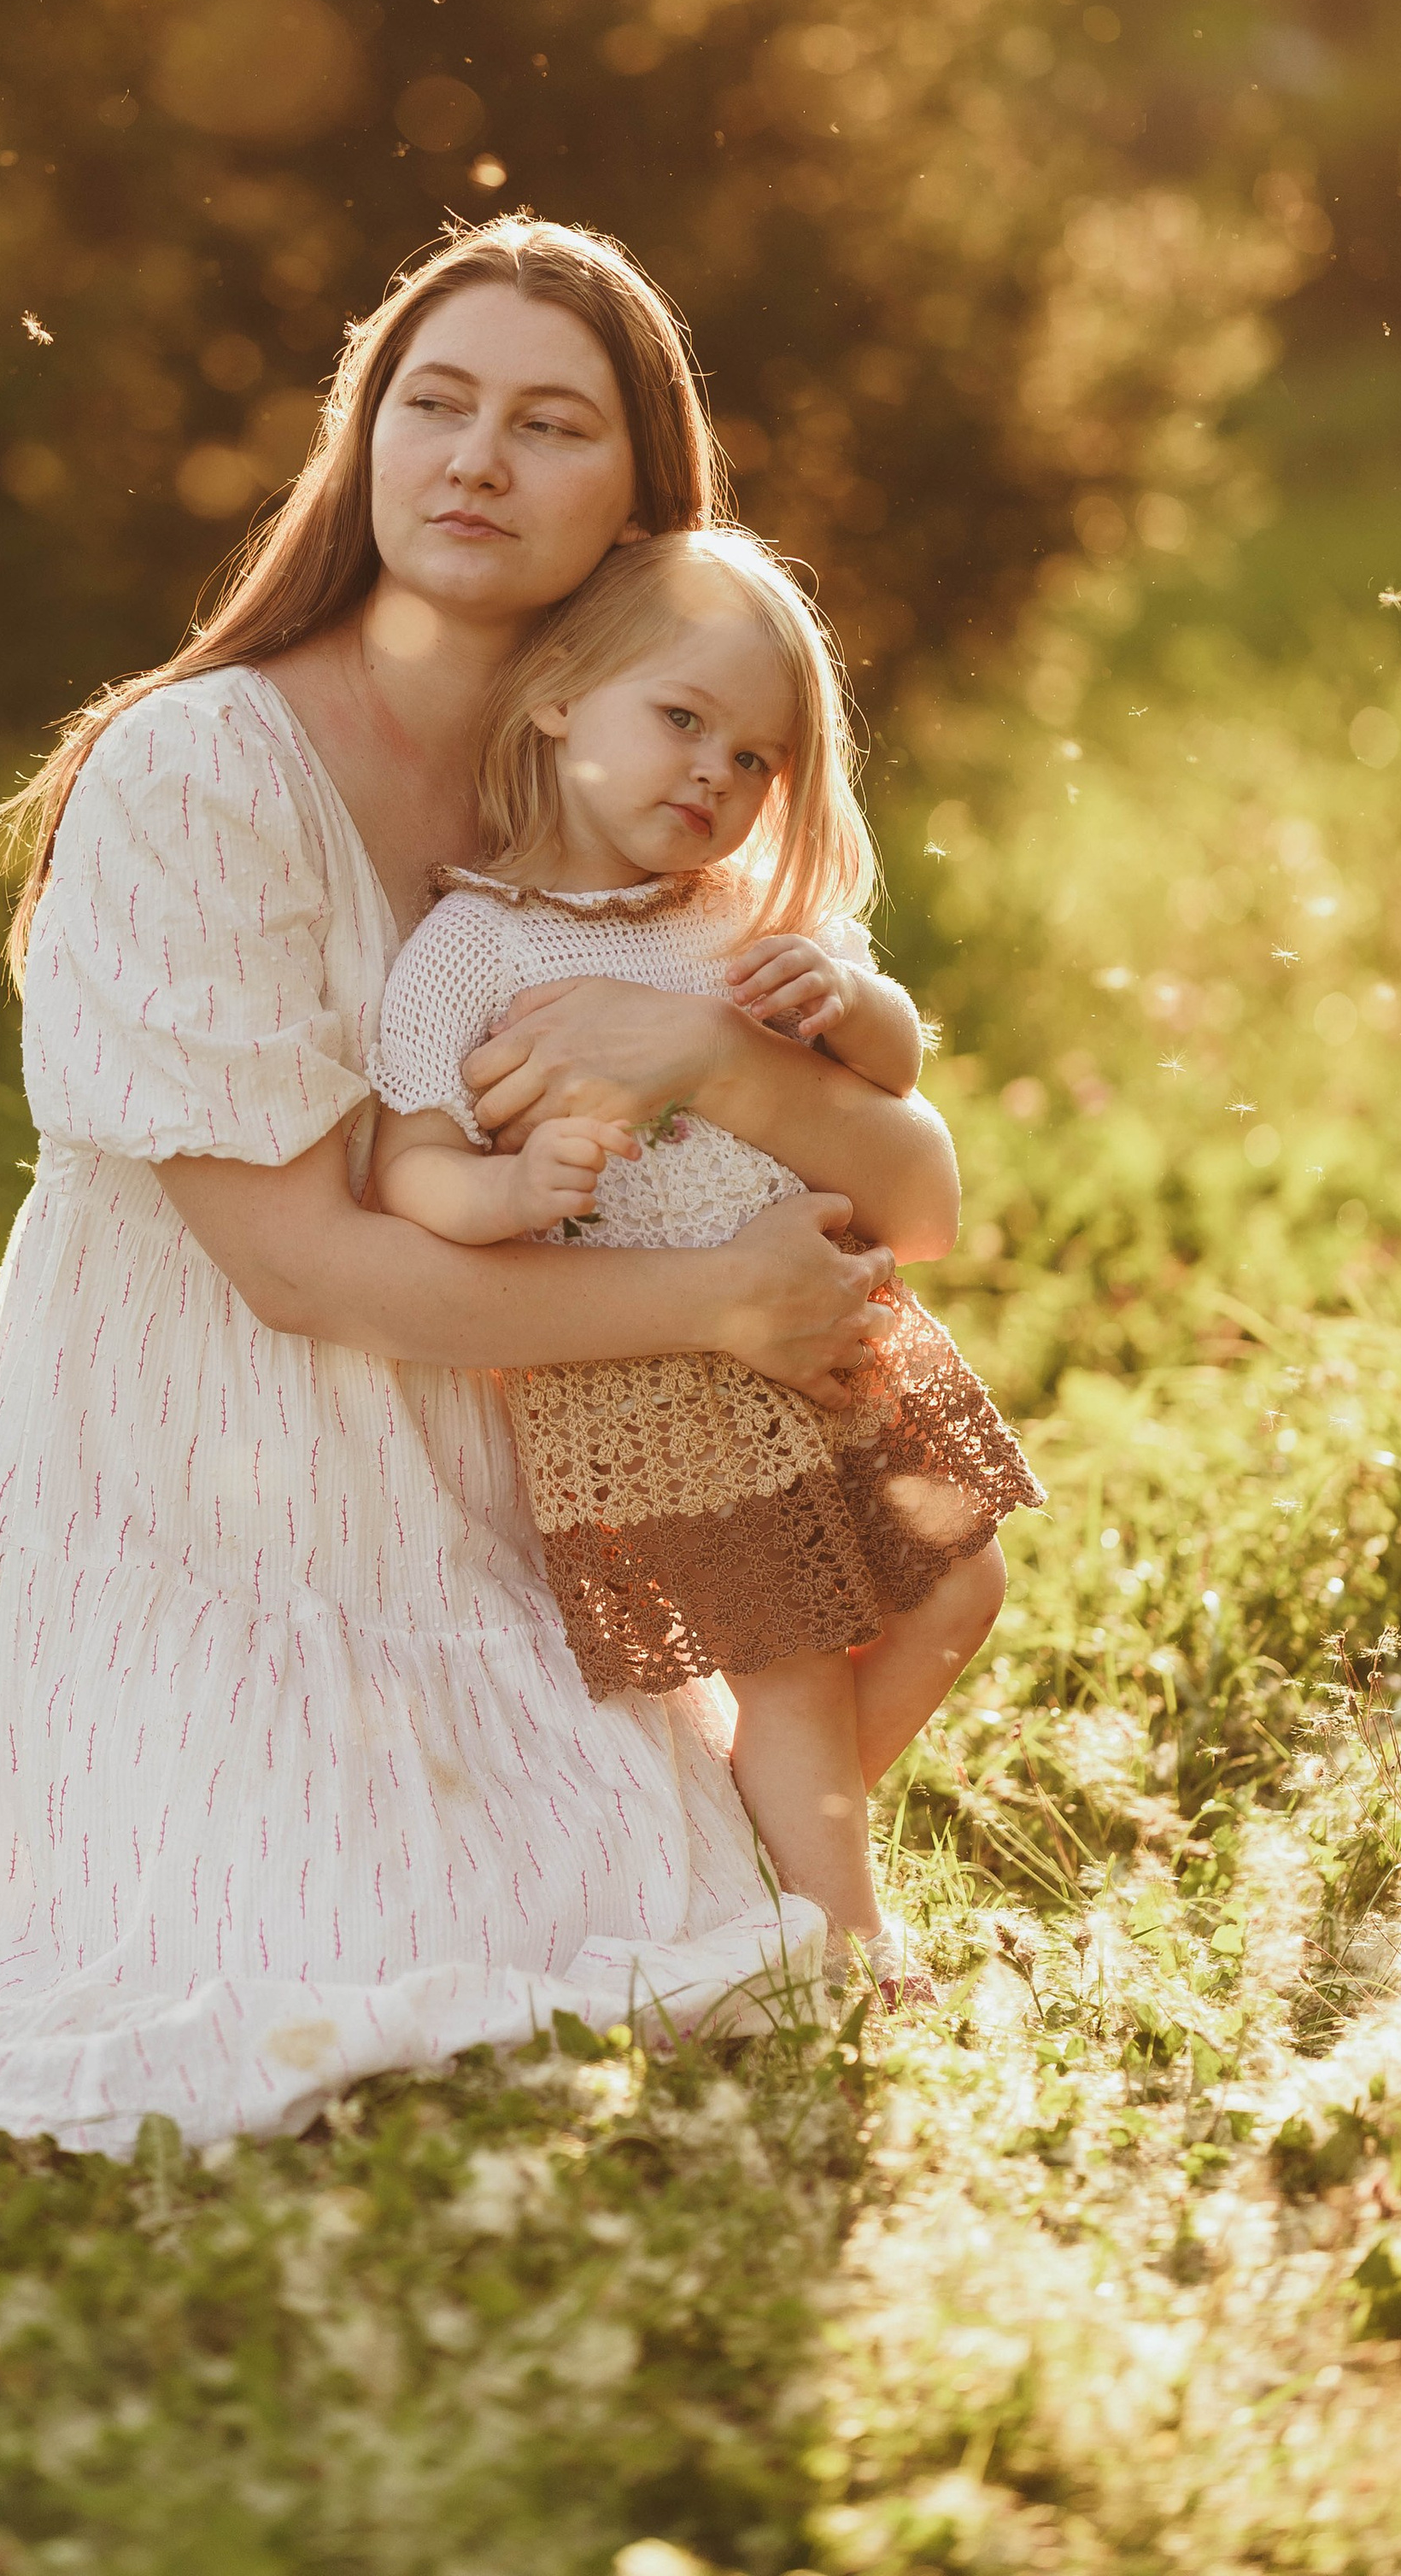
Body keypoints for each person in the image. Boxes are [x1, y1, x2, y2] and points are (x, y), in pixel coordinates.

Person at [0, 217, 964, 2154]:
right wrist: (722, 1300)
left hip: (529, 1449)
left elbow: (881, 1160)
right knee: (354, 1941)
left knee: (678, 1882)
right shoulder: (197, 772)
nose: (473, 459)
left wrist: (718, 1067)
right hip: (217, 1477)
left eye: (548, 424)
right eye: (430, 402)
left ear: (639, 508)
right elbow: (298, 1269)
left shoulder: (646, 782)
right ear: (357, 434)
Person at [370, 525, 1040, 2000]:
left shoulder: (749, 918)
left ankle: (738, 1864)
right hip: (660, 1379)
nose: (715, 779)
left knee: (957, 1590)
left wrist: (855, 1005)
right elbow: (405, 1165)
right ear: (557, 696)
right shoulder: (474, 948)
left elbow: (894, 1079)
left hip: (835, 1335)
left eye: (756, 761)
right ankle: (844, 1946)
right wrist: (507, 1188)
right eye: (684, 722)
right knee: (787, 1659)